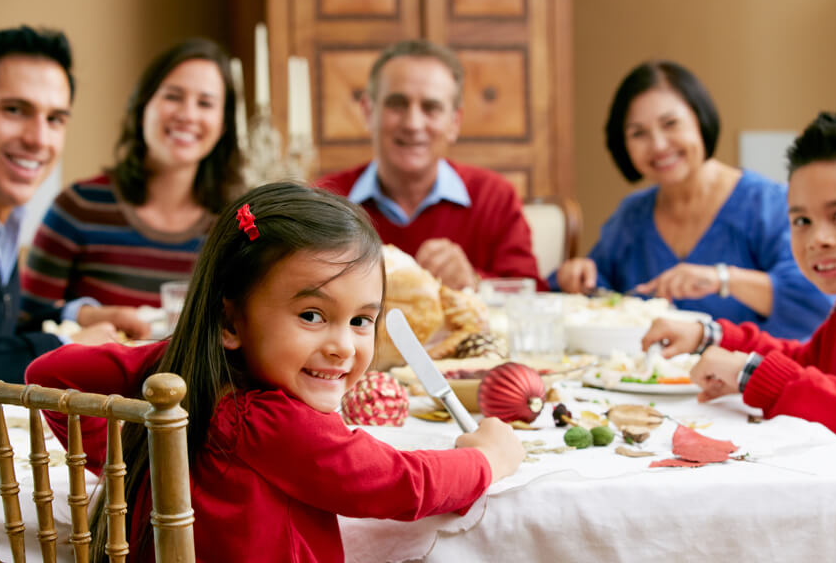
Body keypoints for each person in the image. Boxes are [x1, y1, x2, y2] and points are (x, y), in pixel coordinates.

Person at [26, 182, 524, 562]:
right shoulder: (271, 422)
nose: (342, 346)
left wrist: (130, 453)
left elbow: (52, 373)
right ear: (230, 321)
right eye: (312, 316)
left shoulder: (195, 385)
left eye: (360, 321)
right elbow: (400, 483)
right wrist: (486, 459)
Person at [644, 109, 836, 472]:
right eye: (802, 221)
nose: (818, 239)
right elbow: (805, 363)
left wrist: (750, 373)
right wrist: (710, 335)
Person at [552, 60, 832, 339]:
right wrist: (579, 276)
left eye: (670, 124)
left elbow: (817, 301)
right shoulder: (632, 215)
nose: (659, 146)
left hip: (747, 377)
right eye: (638, 133)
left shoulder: (767, 204)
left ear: (700, 119)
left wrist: (722, 279)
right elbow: (600, 291)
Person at [21, 37, 243, 316]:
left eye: (205, 103)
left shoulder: (236, 227)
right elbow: (24, 321)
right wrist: (85, 315)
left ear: (223, 125)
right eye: (173, 96)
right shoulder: (78, 207)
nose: (188, 114)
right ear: (142, 108)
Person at [316, 39, 542, 291]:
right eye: (397, 104)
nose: (413, 123)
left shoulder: (495, 197)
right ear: (369, 112)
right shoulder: (327, 200)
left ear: (455, 122)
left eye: (431, 108)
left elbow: (532, 295)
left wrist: (474, 282)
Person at [0, 25, 144, 383]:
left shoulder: (7, 221)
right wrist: (66, 344)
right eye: (14, 110)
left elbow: (1, 332)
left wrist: (80, 315)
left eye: (55, 119)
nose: (38, 139)